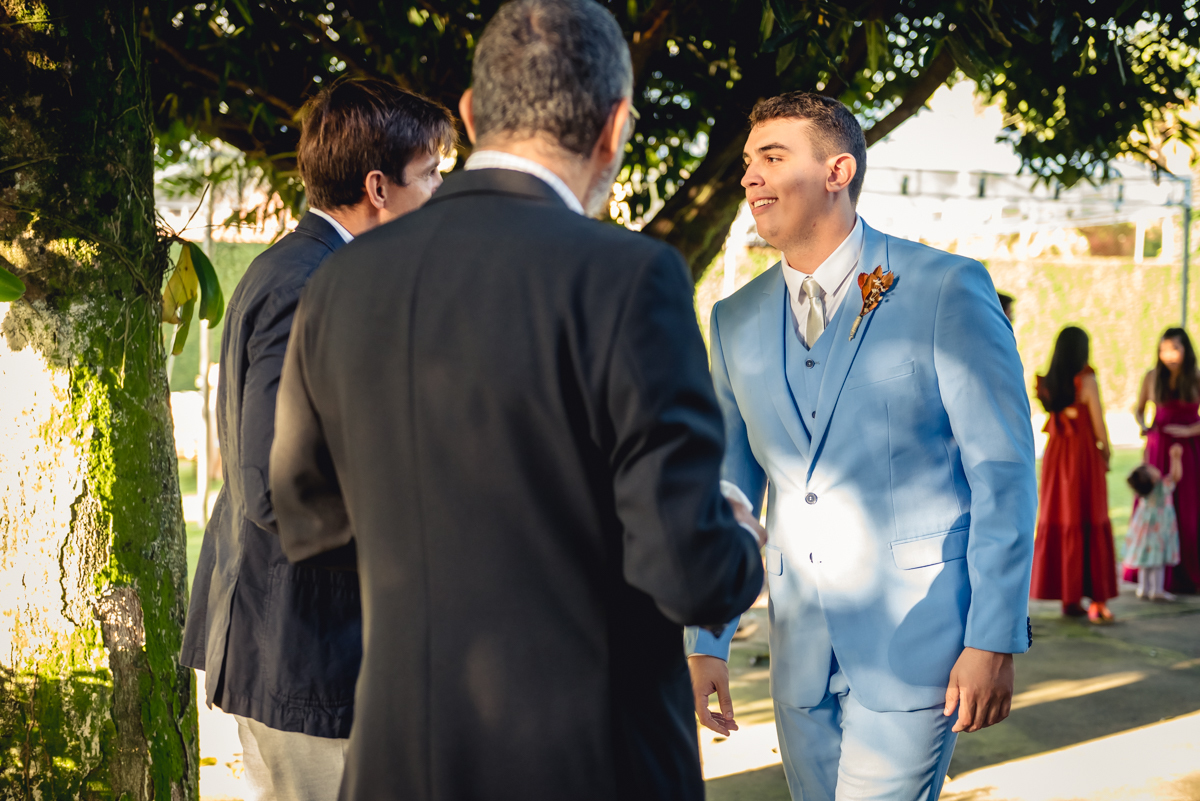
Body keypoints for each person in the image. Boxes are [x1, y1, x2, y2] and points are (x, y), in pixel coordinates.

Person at [268, 2, 766, 799]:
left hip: (402, 760)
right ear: (615, 127)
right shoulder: (631, 277)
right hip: (590, 763)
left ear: (470, 115)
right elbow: (688, 571)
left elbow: (309, 520)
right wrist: (739, 536)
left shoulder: (342, 279)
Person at [685, 92, 1036, 801]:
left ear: (837, 171)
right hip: (798, 655)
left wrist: (993, 635)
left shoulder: (946, 287)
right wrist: (706, 639)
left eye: (772, 157)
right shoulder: (732, 319)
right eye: (748, 161)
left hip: (921, 646)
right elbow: (727, 488)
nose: (749, 176)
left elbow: (1002, 472)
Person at [181, 79, 456, 801]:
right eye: (430, 174)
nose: (440, 191)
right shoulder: (308, 283)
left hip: (305, 641)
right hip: (304, 647)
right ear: (379, 188)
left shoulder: (315, 269)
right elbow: (277, 485)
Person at [1029, 326, 1118, 623]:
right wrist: (1106, 451)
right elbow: (1098, 423)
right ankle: (1097, 598)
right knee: (1091, 515)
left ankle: (1069, 597)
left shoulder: (1049, 382)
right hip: (1083, 457)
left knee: (1063, 516)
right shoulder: (1087, 380)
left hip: (1057, 457)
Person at [1131, 327, 1200, 594]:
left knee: (1188, 511)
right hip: (1158, 449)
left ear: (1186, 350)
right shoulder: (1152, 377)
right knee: (1155, 507)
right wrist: (1143, 425)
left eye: (1175, 349)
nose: (1169, 355)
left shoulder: (1195, 377)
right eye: (1164, 350)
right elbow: (1139, 410)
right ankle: (1151, 575)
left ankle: (1185, 572)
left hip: (1188, 451)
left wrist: (1189, 430)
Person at [1125, 444, 1184, 601]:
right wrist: (1176, 458)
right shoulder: (1161, 487)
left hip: (1145, 535)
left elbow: (1143, 470)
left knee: (1145, 562)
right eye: (1151, 468)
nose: (1153, 467)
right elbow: (1175, 476)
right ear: (1152, 478)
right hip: (1159, 533)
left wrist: (1145, 454)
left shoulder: (1143, 490)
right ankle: (1157, 590)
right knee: (1158, 562)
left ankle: (1143, 588)